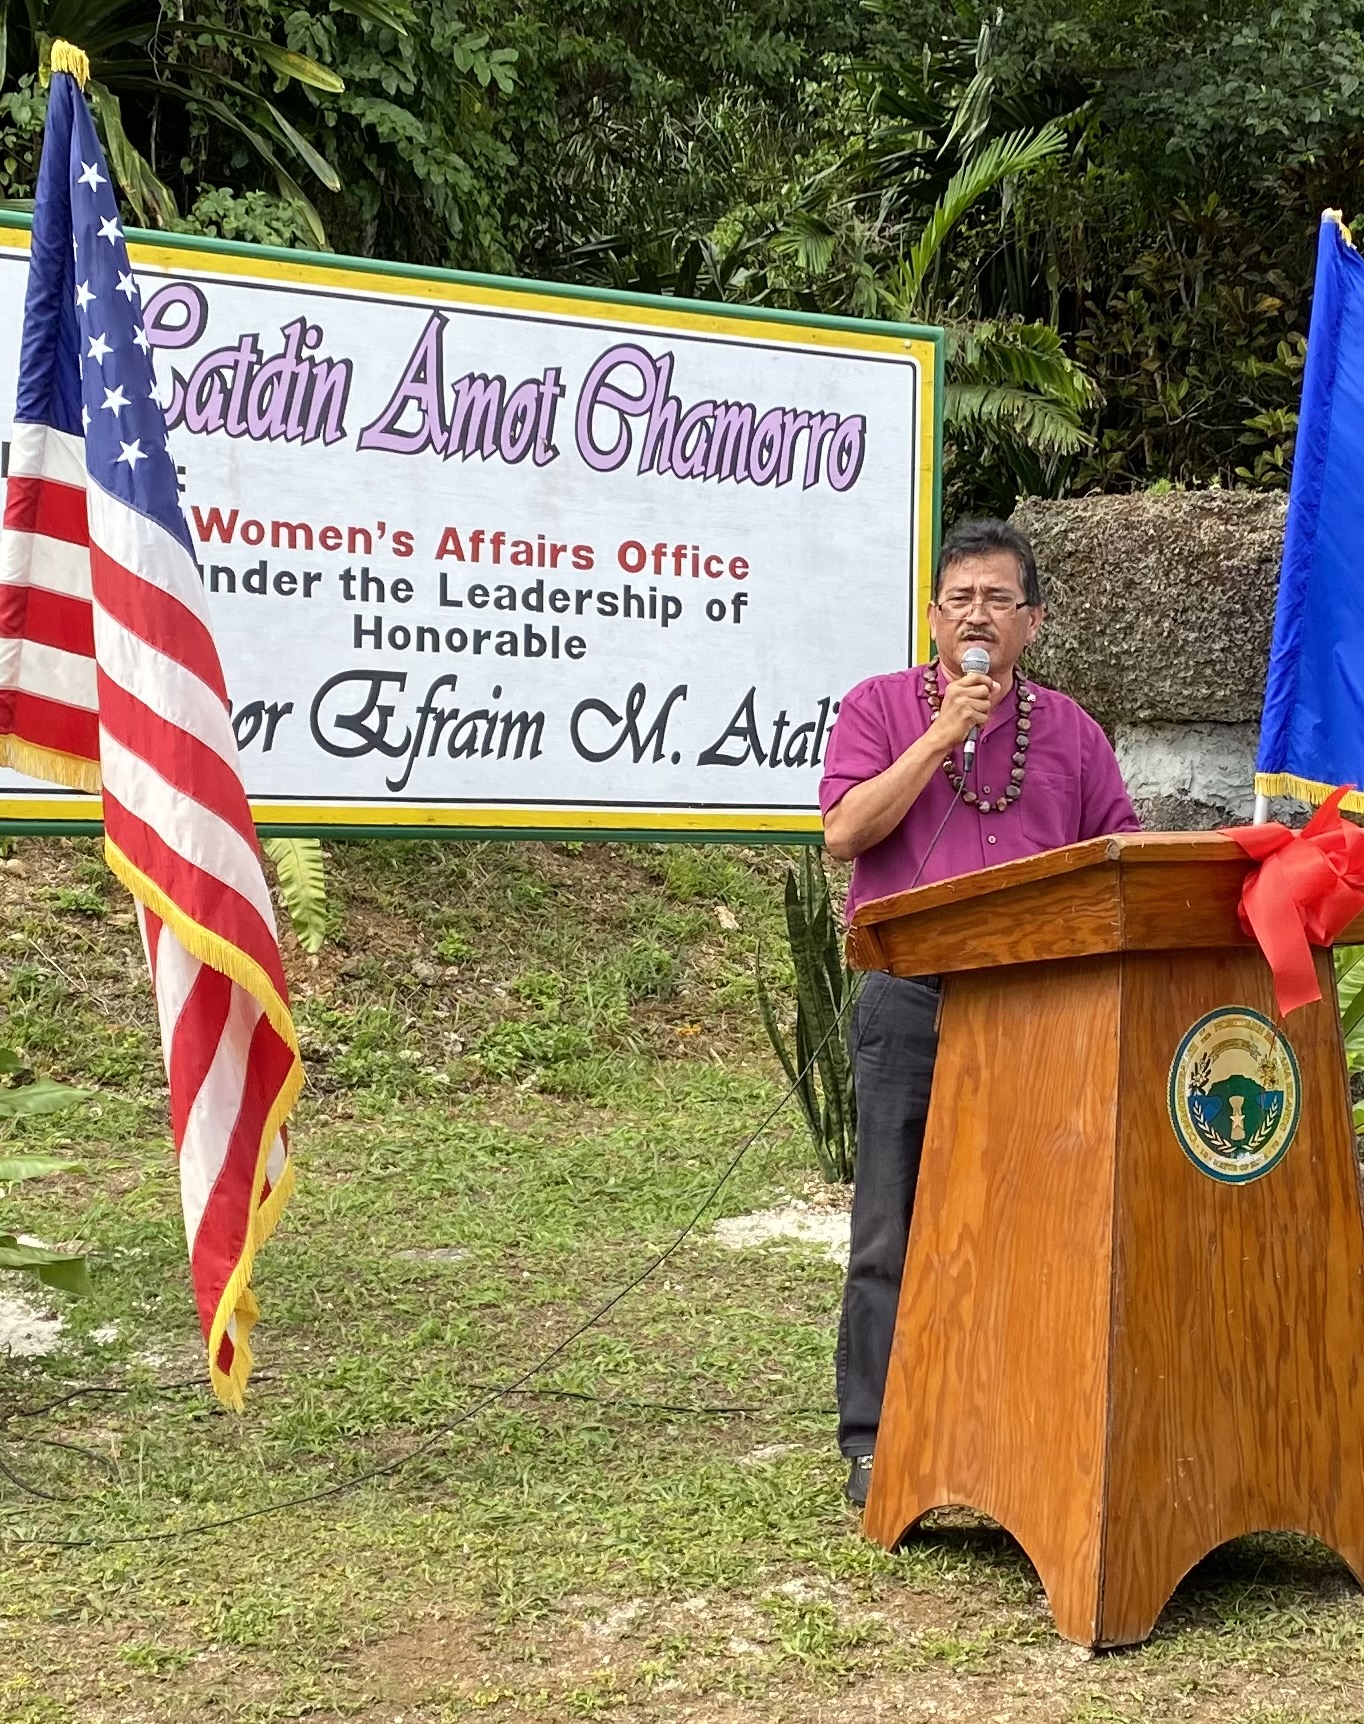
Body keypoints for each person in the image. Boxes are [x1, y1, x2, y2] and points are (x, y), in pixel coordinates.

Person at [819, 517, 1140, 1509]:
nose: (975, 614)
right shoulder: (880, 708)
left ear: (1030, 621)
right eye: (958, 597)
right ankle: (875, 1433)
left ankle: (1008, 1411)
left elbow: (1116, 860)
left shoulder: (1073, 732)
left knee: (1025, 1219)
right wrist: (938, 736)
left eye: (997, 598)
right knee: (891, 1221)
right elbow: (844, 832)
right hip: (909, 995)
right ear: (931, 616)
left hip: (1038, 1007)